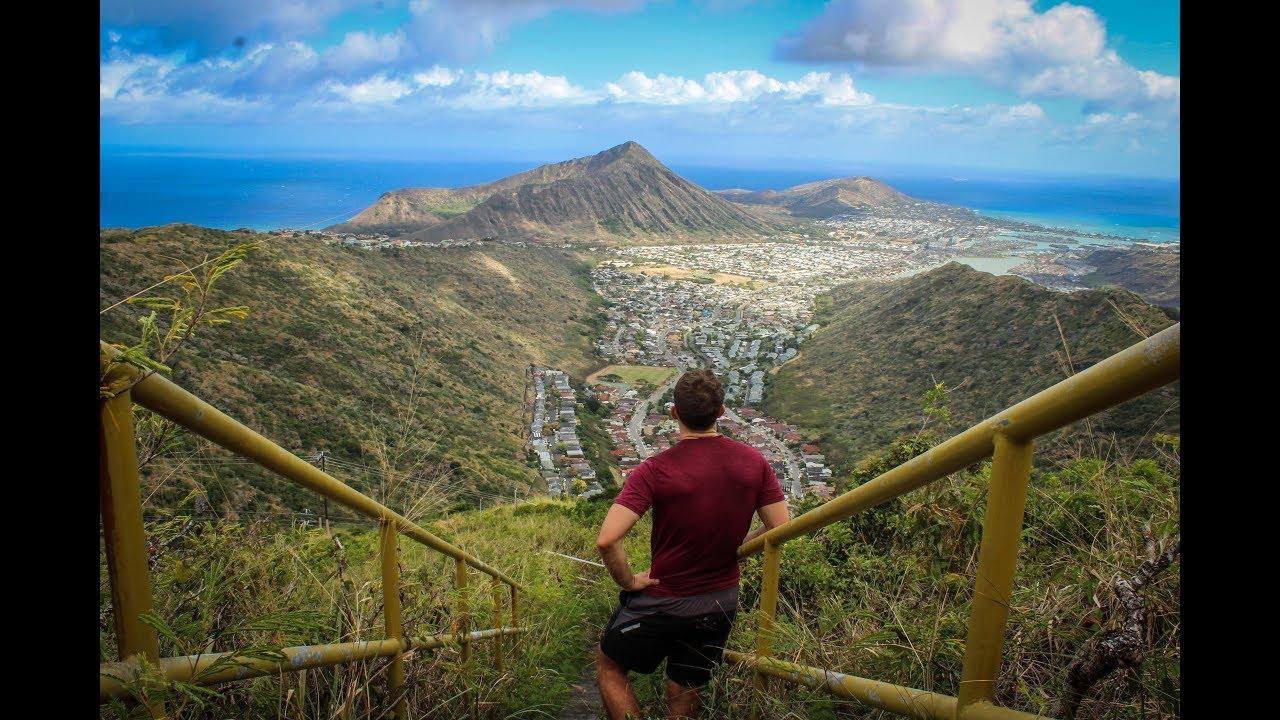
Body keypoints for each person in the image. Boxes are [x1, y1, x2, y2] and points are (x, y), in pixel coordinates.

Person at [594, 368, 790, 719]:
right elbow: (780, 526)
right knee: (683, 688)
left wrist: (629, 582)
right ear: (721, 412)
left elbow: (608, 539)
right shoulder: (754, 462)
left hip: (664, 600)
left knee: (610, 665)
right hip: (719, 603)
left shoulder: (654, 470)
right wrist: (740, 547)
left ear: (674, 413)